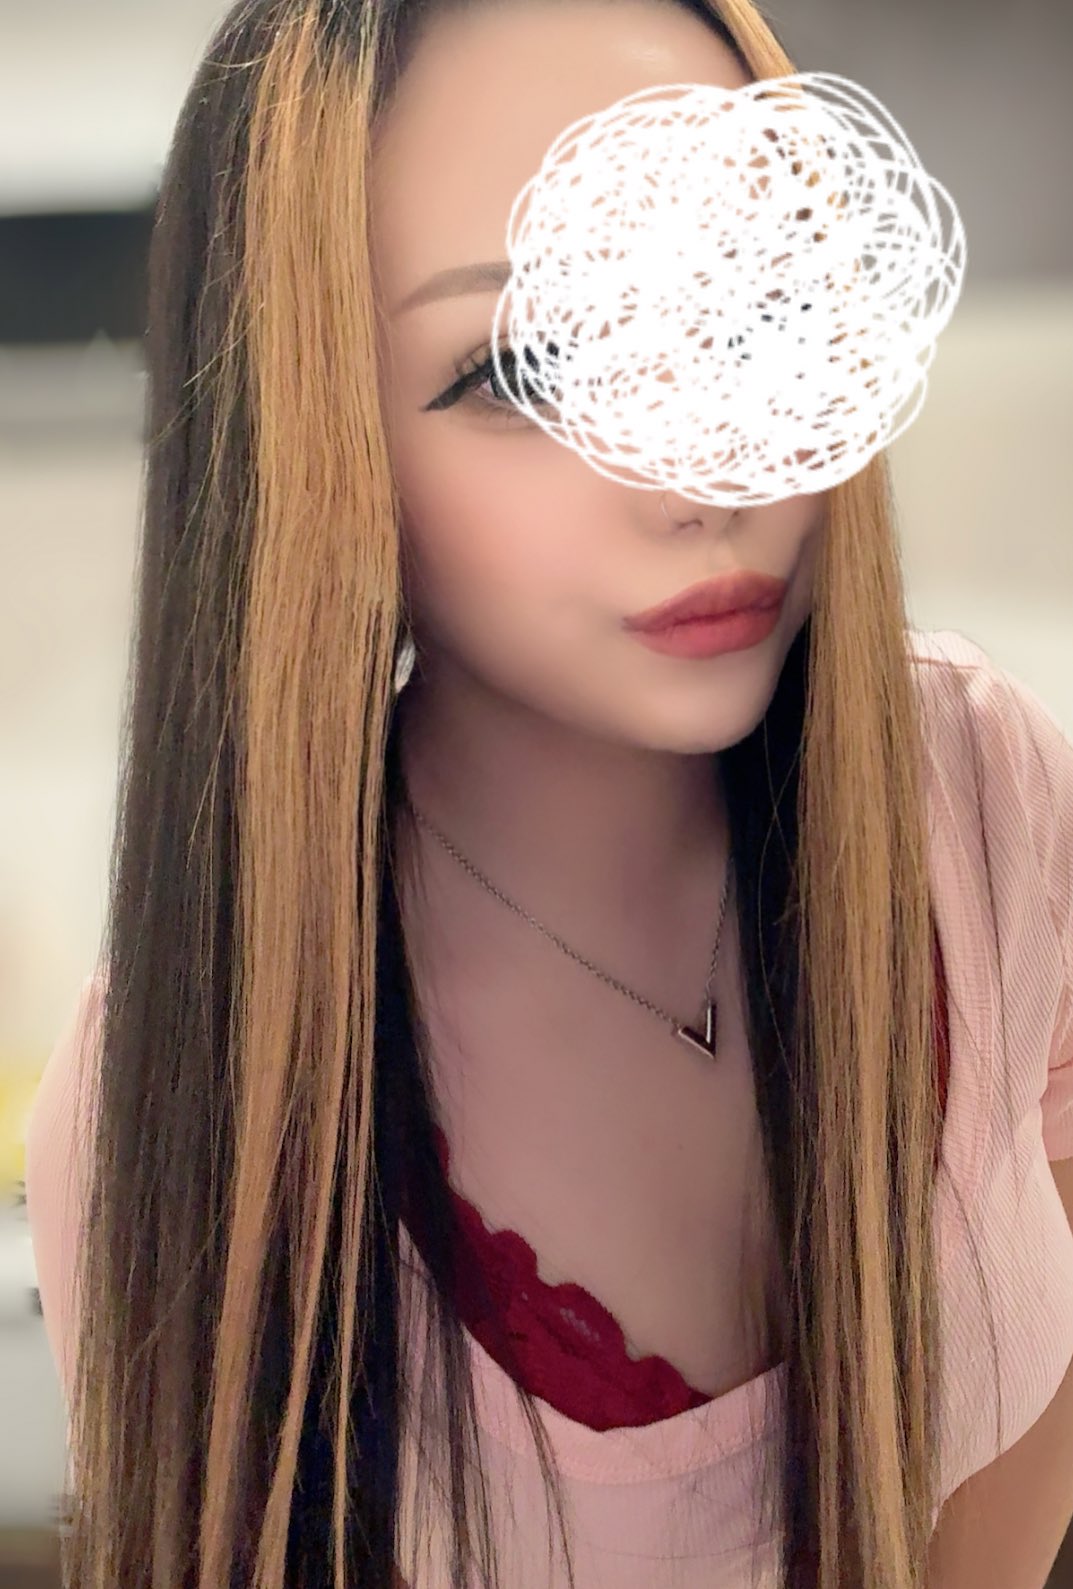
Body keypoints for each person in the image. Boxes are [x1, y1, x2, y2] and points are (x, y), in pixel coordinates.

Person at [24, 1, 1073, 1586]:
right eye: (527, 364)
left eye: (753, 309)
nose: (698, 468)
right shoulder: (189, 1073)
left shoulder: (983, 787)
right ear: (313, 439)